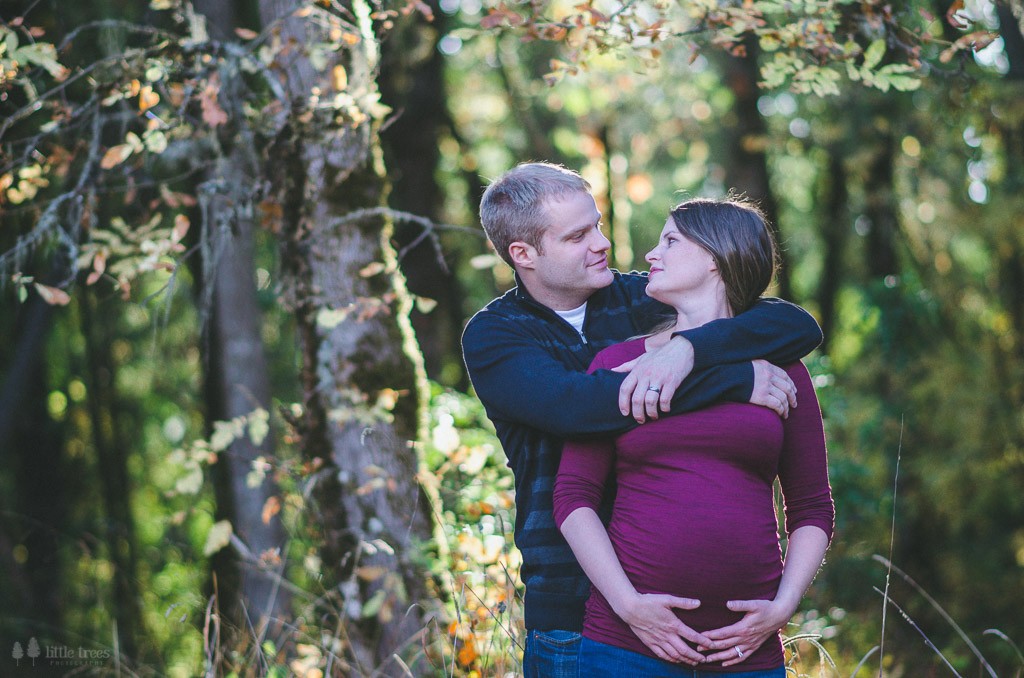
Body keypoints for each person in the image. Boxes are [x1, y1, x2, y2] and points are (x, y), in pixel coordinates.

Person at [461, 162, 823, 677]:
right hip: (573, 605)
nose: (602, 243)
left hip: (716, 615)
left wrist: (688, 350)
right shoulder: (497, 334)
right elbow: (578, 407)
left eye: (597, 225)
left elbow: (794, 324)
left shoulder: (641, 298)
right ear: (524, 254)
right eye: (578, 236)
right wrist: (732, 379)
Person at [552, 197, 834, 677]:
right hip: (629, 644)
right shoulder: (622, 365)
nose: (651, 254)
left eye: (670, 240)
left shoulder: (781, 373)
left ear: (714, 257)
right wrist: (628, 605)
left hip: (746, 649)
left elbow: (812, 507)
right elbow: (573, 496)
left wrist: (784, 606)